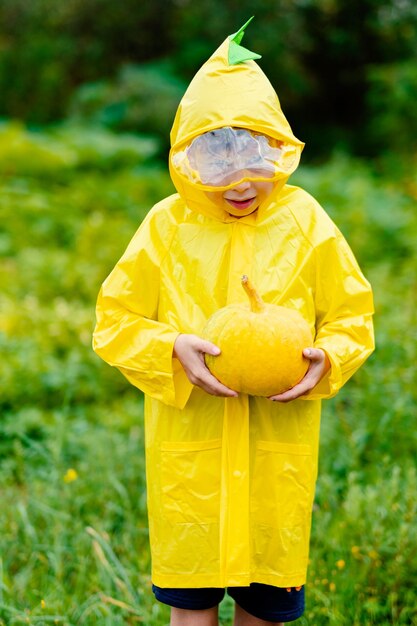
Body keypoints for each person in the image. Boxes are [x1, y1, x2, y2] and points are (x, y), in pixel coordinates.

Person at [93, 18, 374, 626]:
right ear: (187, 162)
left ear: (279, 148)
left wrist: (329, 355)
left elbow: (352, 314)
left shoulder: (304, 220)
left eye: (256, 162)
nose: (241, 185)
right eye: (218, 166)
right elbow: (115, 318)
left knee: (266, 608)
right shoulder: (168, 226)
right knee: (191, 607)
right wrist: (170, 347)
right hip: (191, 450)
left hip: (279, 444)